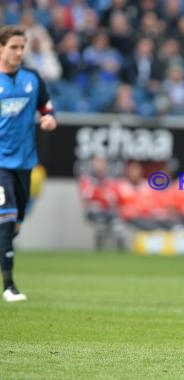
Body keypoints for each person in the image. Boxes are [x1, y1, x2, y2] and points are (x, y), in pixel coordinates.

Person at [0, 25, 58, 302]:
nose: (19, 52)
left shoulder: (32, 79)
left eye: (22, 47)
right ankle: (9, 285)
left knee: (15, 224)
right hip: (0, 164)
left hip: (25, 163)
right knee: (7, 216)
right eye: (13, 47)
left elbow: (46, 107)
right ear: (1, 48)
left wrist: (49, 119)